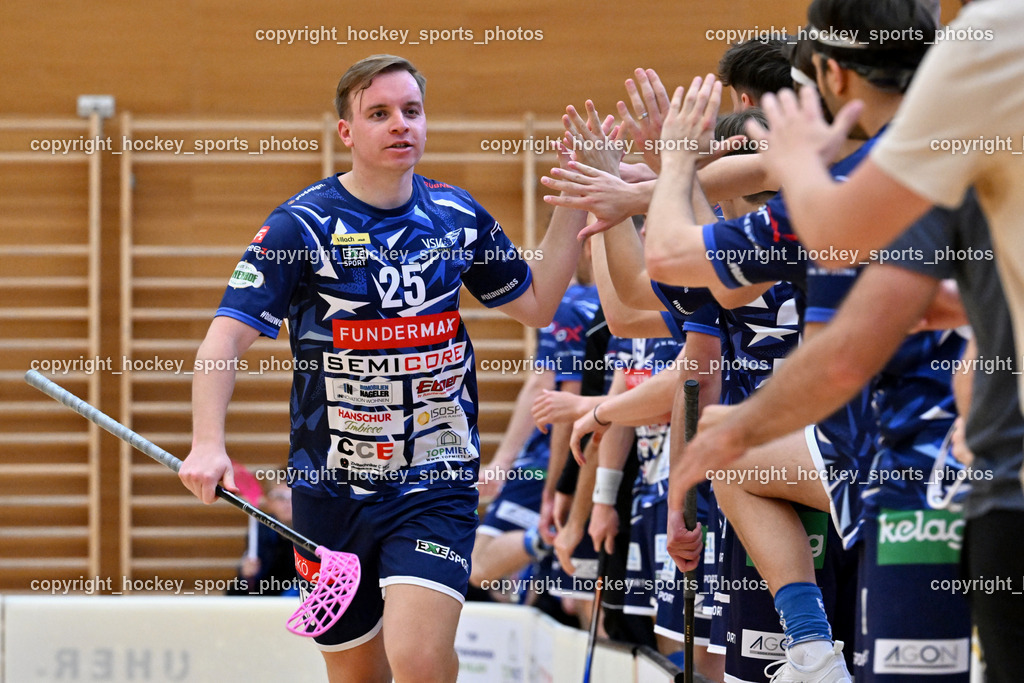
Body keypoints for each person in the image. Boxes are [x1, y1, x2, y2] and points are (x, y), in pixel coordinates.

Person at [178, 54, 587, 683]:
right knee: (356, 675)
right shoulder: (300, 225)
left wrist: (570, 202)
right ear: (347, 131)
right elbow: (224, 340)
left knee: (421, 661)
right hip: (328, 490)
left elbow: (537, 304)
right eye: (380, 114)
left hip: (435, 481)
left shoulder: (456, 216)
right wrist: (208, 443)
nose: (401, 125)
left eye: (412, 111)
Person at [745, 0, 1024, 414]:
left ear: (834, 77)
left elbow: (835, 241)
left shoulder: (997, 34)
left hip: (914, 440)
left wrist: (798, 162)